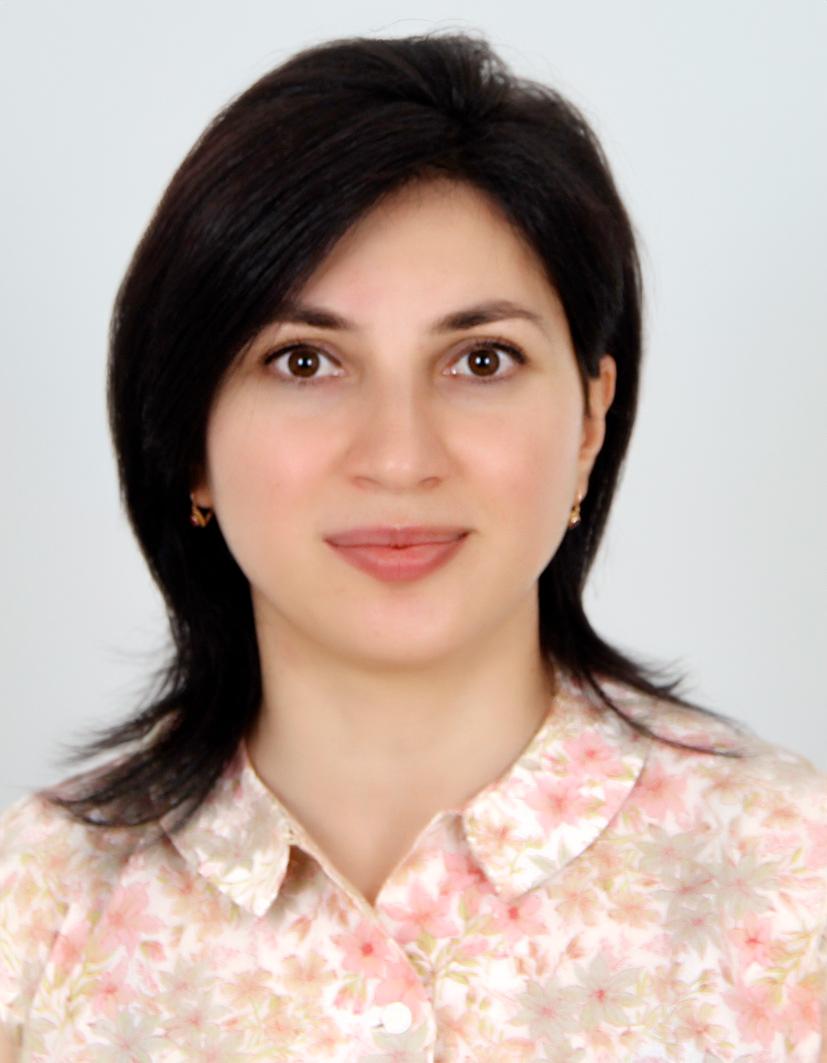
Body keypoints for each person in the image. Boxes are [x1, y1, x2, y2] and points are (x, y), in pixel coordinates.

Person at [1, 30, 825, 1061]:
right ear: (188, 440)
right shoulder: (36, 907)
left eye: (480, 360)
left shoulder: (794, 884)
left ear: (588, 419)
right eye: (305, 362)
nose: (398, 457)